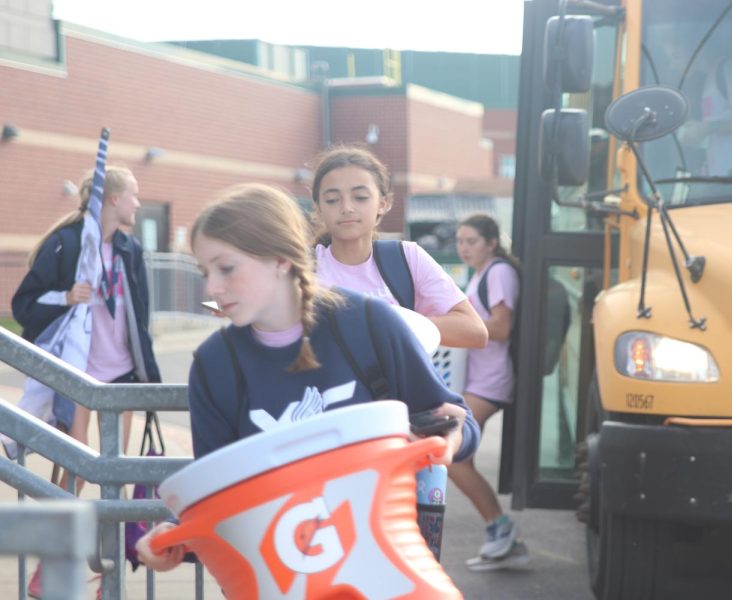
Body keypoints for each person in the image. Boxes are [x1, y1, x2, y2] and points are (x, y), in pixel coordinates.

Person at [135, 182, 480, 572]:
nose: (212, 288)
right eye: (205, 271)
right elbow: (220, 500)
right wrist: (176, 540)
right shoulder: (214, 365)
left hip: (384, 570)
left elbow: (454, 421)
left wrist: (451, 436)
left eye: (227, 268)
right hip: (277, 576)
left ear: (281, 259)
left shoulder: (369, 323)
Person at [10, 165, 160, 597]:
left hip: (122, 379)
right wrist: (65, 297)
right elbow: (24, 306)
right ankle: (50, 570)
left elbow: (140, 320)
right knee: (75, 477)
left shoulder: (130, 249)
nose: (137, 202)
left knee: (114, 479)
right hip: (77, 379)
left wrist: (147, 377)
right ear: (113, 199)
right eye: (133, 194)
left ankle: (104, 576)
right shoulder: (68, 243)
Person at [311, 145, 488, 349]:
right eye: (332, 200)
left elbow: (474, 331)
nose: (347, 208)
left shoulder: (406, 257)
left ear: (382, 203)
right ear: (319, 209)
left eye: (360, 197)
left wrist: (390, 322)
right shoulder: (302, 269)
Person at [451, 213, 529, 570]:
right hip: (478, 381)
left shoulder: (499, 272)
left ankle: (501, 530)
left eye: (471, 241)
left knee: (453, 456)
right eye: (460, 241)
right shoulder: (481, 274)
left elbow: (499, 329)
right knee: (454, 456)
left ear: (492, 243)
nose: (464, 248)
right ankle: (500, 532)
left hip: (491, 381)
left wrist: (457, 324)